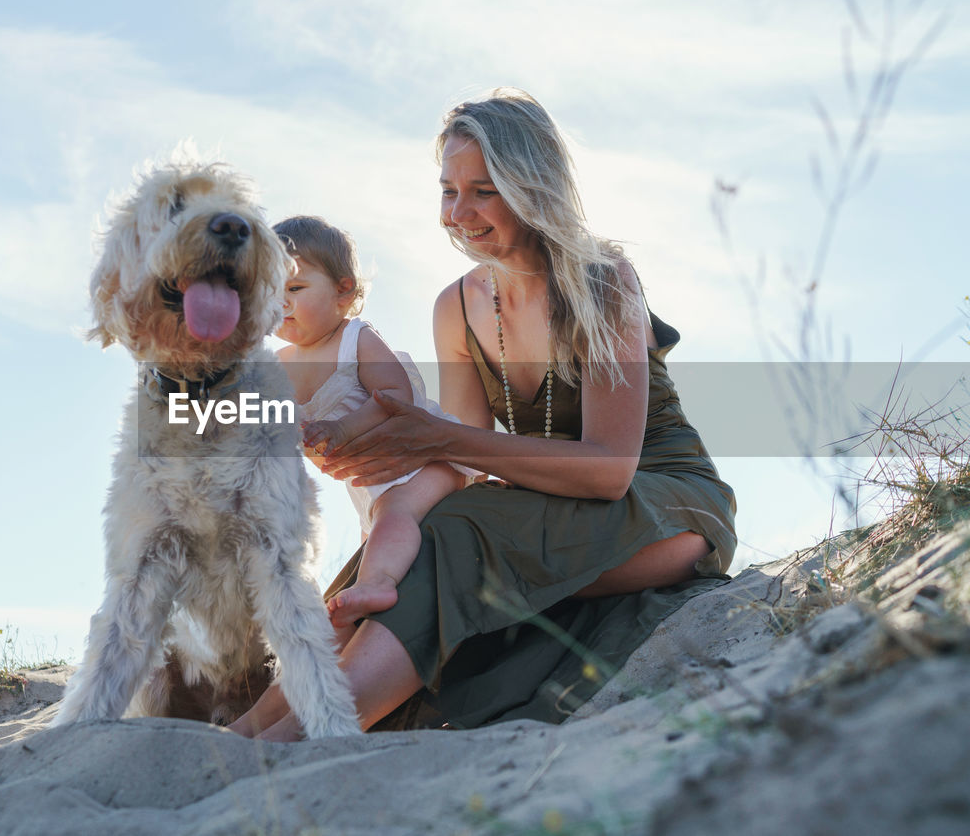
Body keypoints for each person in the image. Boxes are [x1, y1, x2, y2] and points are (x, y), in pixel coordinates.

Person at [231, 88, 736, 741]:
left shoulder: (603, 280)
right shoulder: (457, 307)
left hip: (666, 506)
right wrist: (394, 491)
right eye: (448, 191)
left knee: (459, 535)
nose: (460, 213)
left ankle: (294, 740)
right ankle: (250, 732)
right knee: (404, 548)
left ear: (530, 185)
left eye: (483, 191)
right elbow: (460, 458)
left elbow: (610, 471)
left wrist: (435, 437)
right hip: (559, 507)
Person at [271, 216, 470, 628]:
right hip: (369, 486)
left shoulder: (354, 338)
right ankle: (368, 590)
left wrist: (342, 430)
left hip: (419, 465)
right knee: (379, 532)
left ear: (343, 291)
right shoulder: (278, 367)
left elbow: (396, 396)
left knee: (394, 517)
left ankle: (378, 584)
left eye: (294, 288)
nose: (281, 302)